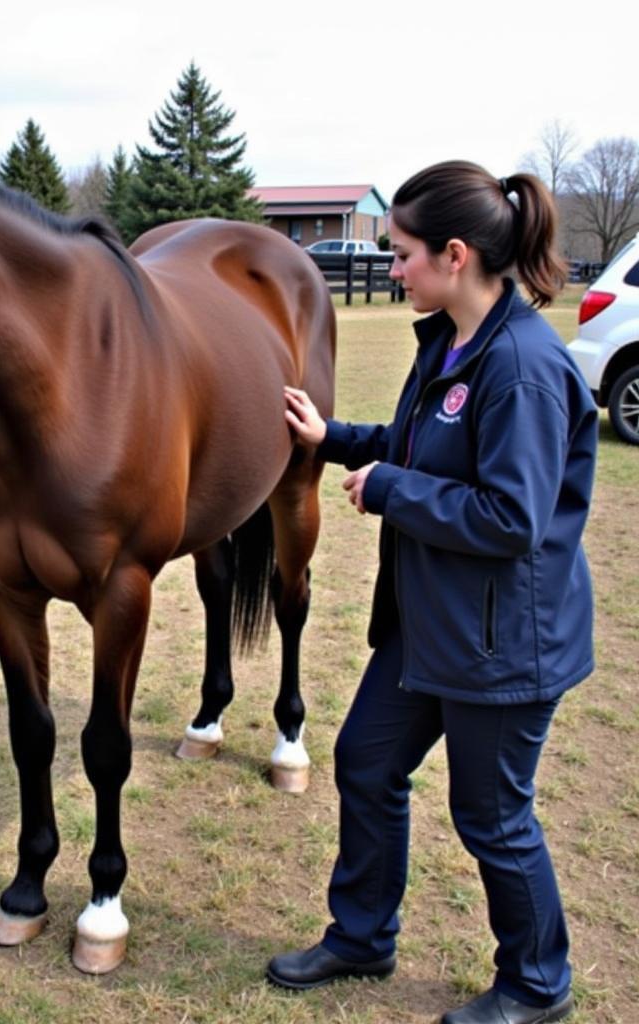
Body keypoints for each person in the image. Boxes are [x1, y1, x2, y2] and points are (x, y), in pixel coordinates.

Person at [268, 161, 598, 1024]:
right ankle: (363, 935)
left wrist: (387, 491)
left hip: (503, 642)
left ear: (454, 256)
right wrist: (333, 438)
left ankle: (537, 984)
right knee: (367, 763)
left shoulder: (522, 368)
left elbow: (509, 517)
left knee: (491, 816)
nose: (392, 269)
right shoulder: (450, 344)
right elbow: (421, 446)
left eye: (403, 255)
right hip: (430, 623)